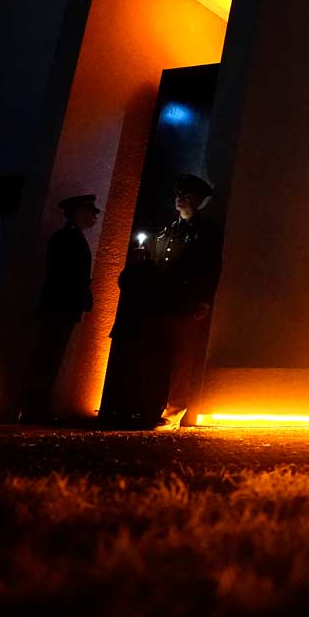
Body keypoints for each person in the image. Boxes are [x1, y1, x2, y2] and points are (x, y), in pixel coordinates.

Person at [150, 174, 223, 428]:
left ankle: (175, 409)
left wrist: (203, 300)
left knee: (182, 357)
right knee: (161, 354)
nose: (180, 197)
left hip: (187, 301)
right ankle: (156, 404)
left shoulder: (208, 232)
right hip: (164, 300)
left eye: (187, 194)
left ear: (199, 200)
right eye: (179, 193)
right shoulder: (168, 231)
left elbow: (210, 269)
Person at [19, 194, 99, 421]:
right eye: (90, 211)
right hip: (60, 307)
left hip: (61, 306)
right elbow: (66, 276)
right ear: (79, 213)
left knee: (49, 357)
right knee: (48, 357)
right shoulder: (68, 238)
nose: (95, 215)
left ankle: (36, 407)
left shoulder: (69, 237)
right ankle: (35, 408)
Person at [97, 233, 167, 426]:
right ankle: (127, 409)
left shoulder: (143, 272)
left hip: (133, 325)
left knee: (130, 367)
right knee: (132, 368)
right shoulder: (146, 272)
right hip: (137, 326)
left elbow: (125, 283)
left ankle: (121, 409)